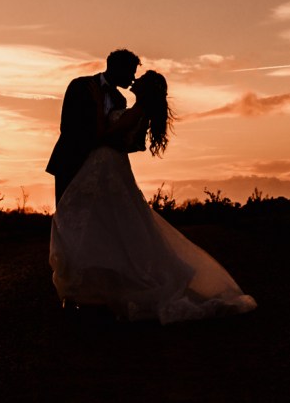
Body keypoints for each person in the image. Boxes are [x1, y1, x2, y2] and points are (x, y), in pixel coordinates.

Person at [49, 69, 257, 324]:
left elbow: (103, 135)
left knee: (96, 227)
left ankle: (93, 293)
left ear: (145, 90)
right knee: (104, 227)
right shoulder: (136, 111)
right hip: (106, 167)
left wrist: (98, 113)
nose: (133, 80)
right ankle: (92, 293)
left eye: (140, 78)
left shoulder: (133, 110)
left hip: (105, 166)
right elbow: (132, 143)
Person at [46, 48, 142, 204]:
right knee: (65, 214)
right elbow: (68, 125)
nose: (132, 78)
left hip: (99, 166)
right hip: (71, 159)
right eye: (131, 72)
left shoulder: (120, 100)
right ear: (118, 68)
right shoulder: (80, 85)